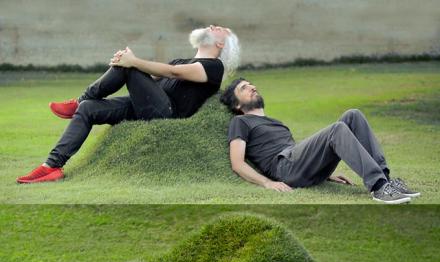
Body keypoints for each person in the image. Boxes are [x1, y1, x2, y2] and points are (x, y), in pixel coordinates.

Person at [17, 25, 240, 183]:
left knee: (129, 66)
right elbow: (147, 78)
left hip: (167, 113)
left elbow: (172, 73)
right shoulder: (180, 60)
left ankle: (79, 100)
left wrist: (131, 63)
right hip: (145, 107)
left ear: (220, 43)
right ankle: (51, 166)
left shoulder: (214, 67)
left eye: (218, 28)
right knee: (89, 109)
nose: (212, 25)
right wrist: (125, 61)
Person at [219, 78, 420, 204]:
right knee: (337, 129)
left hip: (295, 162)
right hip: (284, 168)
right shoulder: (241, 121)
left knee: (353, 115)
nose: (252, 87)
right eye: (244, 88)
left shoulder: (275, 122)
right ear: (237, 104)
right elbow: (237, 163)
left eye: (251, 84)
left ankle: (385, 180)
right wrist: (267, 183)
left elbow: (302, 155)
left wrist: (326, 174)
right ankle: (378, 187)